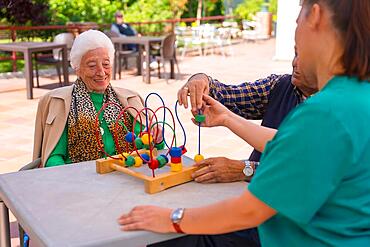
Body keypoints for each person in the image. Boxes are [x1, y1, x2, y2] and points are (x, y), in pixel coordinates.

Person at [118, 1, 370, 247]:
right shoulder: (356, 99)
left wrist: (171, 218)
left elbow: (249, 211)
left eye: (297, 20)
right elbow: (294, 146)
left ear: (315, 16)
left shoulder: (323, 113)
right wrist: (227, 117)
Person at [178, 48, 317, 184]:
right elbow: (229, 95)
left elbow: (305, 167)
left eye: (304, 58)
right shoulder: (280, 85)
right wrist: (202, 80)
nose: (294, 62)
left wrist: (245, 169)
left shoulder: (331, 110)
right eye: (295, 53)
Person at [32, 30, 162, 167]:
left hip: (125, 176)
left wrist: (156, 137)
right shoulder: (63, 105)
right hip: (81, 181)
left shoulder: (129, 101)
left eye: (106, 64)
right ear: (77, 68)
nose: (101, 72)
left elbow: (149, 148)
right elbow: (53, 158)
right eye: (92, 66)